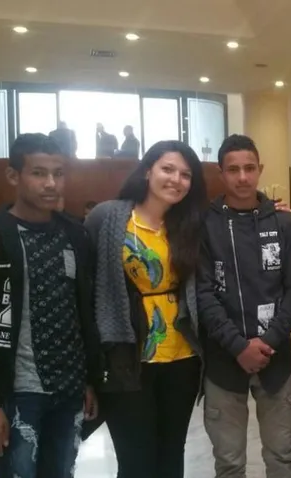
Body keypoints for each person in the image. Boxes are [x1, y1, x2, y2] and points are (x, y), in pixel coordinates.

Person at [0, 133, 99, 478]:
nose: (51, 183)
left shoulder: (75, 235)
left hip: (69, 387)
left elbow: (83, 313)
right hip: (18, 391)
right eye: (38, 173)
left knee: (62, 472)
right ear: (13, 176)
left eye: (58, 173)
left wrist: (89, 379)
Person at [84, 140, 207, 478]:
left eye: (186, 174)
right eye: (168, 169)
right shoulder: (108, 217)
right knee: (136, 460)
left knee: (171, 454)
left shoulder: (191, 223)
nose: (176, 179)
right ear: (148, 170)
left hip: (182, 357)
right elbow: (86, 289)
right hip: (126, 357)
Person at [197, 134, 291, 477]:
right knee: (229, 463)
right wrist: (239, 346)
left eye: (249, 168)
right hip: (223, 359)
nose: (242, 177)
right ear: (221, 173)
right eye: (233, 169)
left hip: (276, 358)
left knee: (281, 457)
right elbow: (204, 293)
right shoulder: (205, 224)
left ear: (260, 169)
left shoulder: (283, 222)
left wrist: (268, 341)